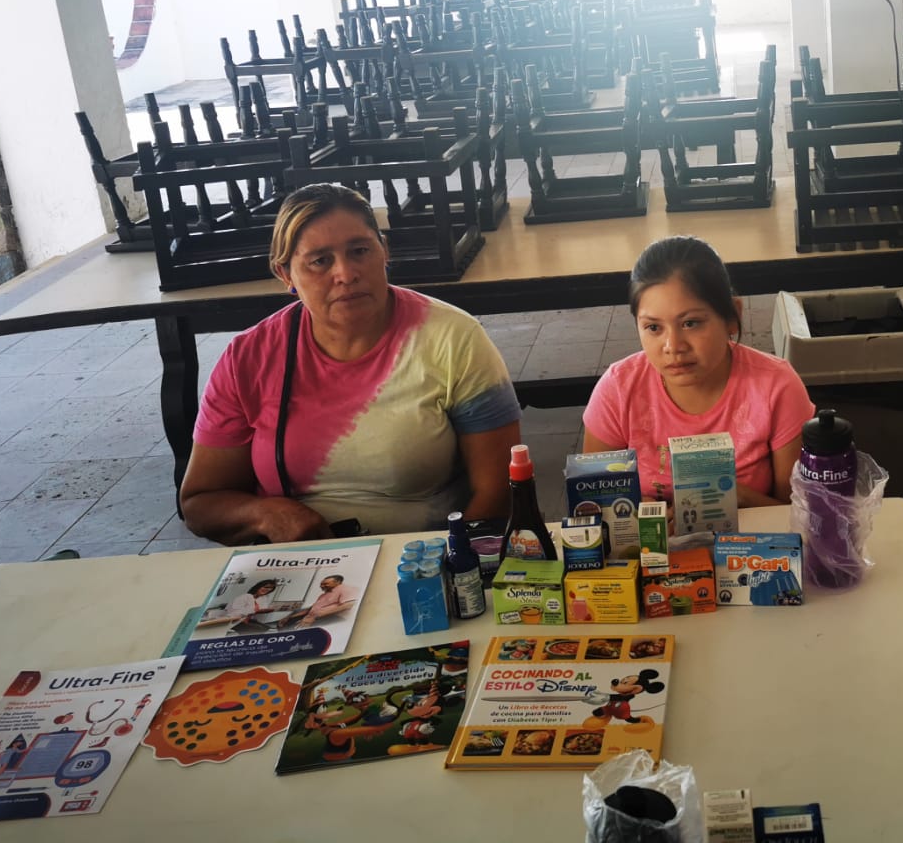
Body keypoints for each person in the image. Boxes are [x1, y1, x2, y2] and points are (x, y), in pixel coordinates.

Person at [180, 183, 522, 543]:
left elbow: (499, 489)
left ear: (384, 251)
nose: (346, 273)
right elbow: (200, 503)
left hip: (425, 555)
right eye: (320, 261)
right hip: (300, 565)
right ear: (285, 274)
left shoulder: (454, 338)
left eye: (360, 251)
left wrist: (453, 564)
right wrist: (266, 514)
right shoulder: (248, 358)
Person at [582, 236, 812, 507]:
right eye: (653, 328)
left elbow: (795, 514)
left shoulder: (777, 387)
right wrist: (640, 512)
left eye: (691, 323)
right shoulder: (618, 390)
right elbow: (593, 500)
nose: (673, 347)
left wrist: (735, 498)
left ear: (732, 317)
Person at [285, 574, 359, 627]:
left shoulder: (346, 589)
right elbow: (312, 609)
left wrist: (315, 617)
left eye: (325, 584)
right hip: (313, 617)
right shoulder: (324, 595)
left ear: (338, 582)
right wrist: (290, 617)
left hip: (330, 618)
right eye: (321, 584)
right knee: (289, 620)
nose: (322, 586)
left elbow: (349, 605)